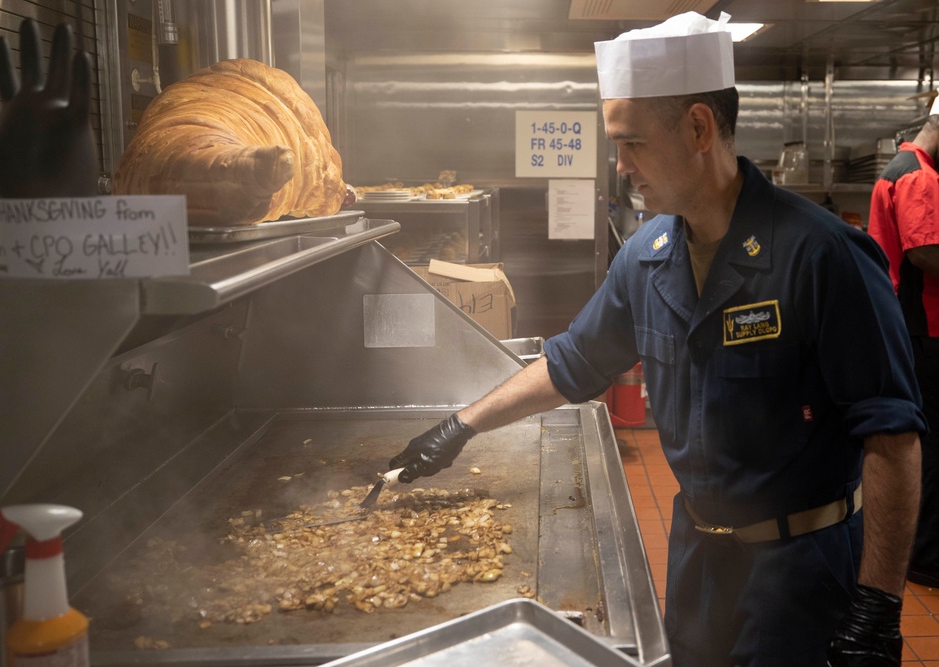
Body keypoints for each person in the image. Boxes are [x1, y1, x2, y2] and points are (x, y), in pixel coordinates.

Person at [388, 11, 925, 667]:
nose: (621, 166)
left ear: (699, 127)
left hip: (802, 575)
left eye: (633, 143)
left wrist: (876, 610)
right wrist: (459, 426)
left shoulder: (823, 256)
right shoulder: (648, 256)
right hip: (698, 566)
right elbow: (572, 362)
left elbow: (893, 441)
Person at [868, 106, 939, 589]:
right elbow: (925, 253)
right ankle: (928, 557)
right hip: (924, 329)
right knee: (932, 446)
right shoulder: (919, 177)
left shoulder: (902, 166)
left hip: (907, 326)